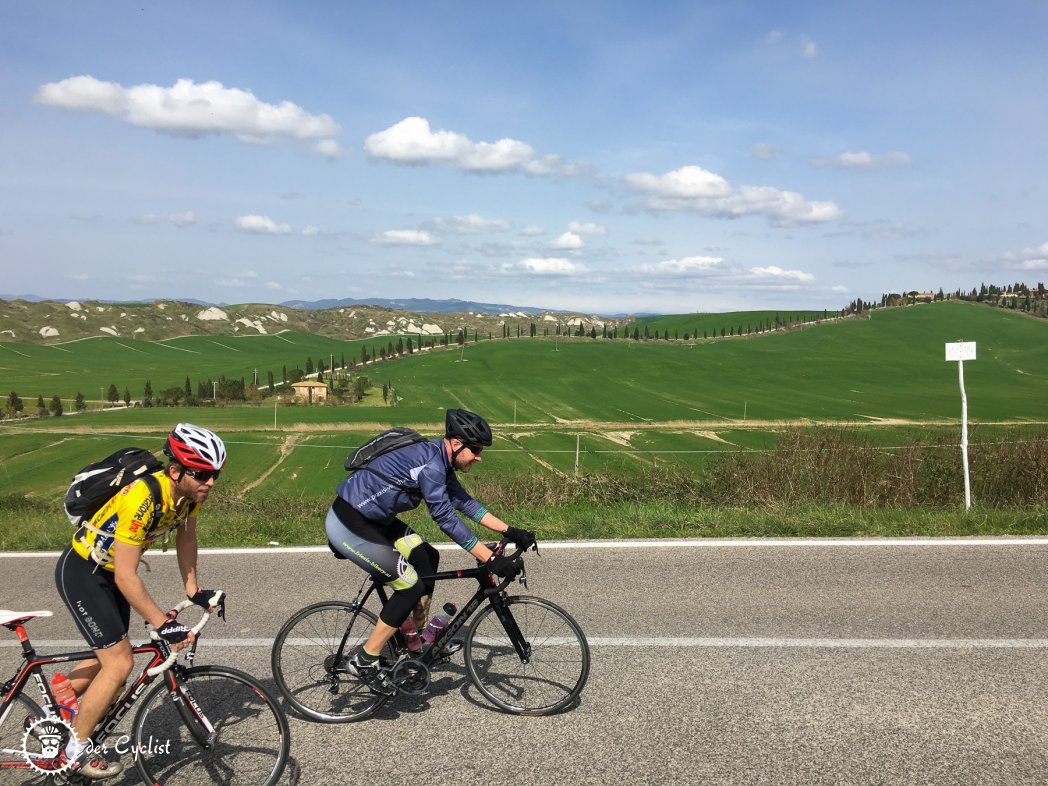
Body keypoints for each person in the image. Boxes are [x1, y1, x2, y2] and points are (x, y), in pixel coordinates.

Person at [52, 423, 227, 779]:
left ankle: (60, 699)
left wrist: (194, 589)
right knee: (119, 663)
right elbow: (126, 577)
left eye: (215, 475)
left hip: (109, 572)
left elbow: (186, 539)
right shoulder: (143, 497)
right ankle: (73, 753)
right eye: (203, 474)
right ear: (175, 472)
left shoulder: (188, 496)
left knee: (113, 661)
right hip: (85, 571)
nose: (210, 482)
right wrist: (164, 623)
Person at [326, 408, 535, 694]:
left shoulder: (441, 459)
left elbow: (465, 503)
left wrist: (510, 531)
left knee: (427, 557)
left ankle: (416, 640)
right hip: (348, 522)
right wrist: (489, 558)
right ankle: (364, 659)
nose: (478, 457)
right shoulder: (432, 464)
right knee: (409, 585)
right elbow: (446, 518)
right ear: (455, 442)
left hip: (375, 521)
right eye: (474, 450)